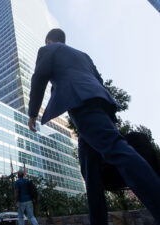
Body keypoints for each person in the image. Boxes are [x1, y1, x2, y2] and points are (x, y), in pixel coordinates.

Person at [27, 28, 160, 225]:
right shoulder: (83, 55)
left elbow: (39, 77)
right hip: (99, 103)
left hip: (81, 103)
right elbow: (99, 81)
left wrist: (32, 113)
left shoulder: (48, 49)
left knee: (118, 150)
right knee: (91, 174)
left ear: (48, 40)